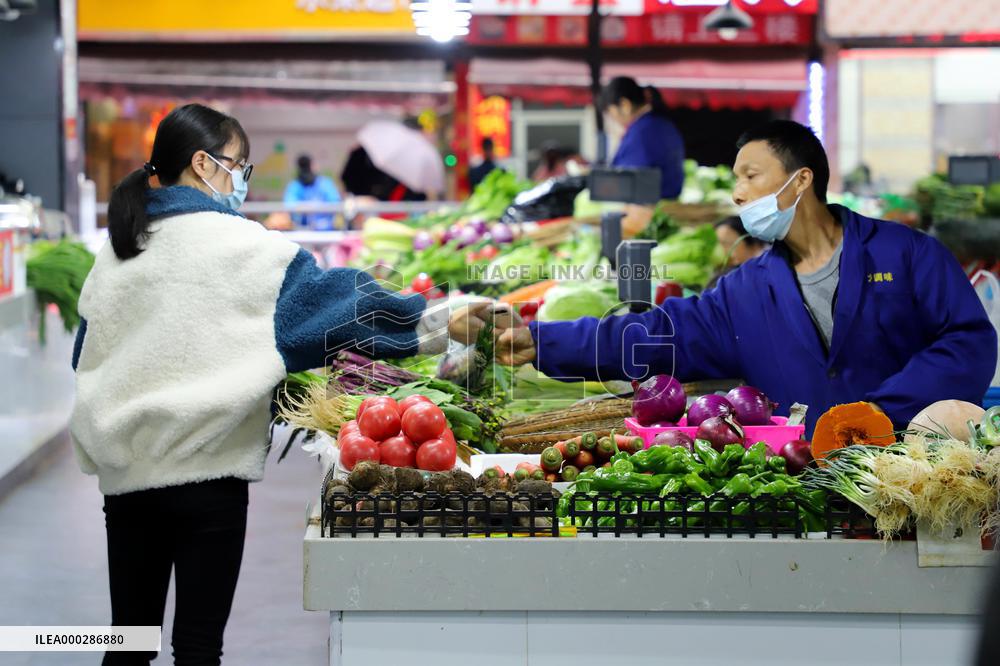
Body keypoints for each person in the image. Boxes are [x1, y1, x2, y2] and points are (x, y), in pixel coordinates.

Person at [72, 103, 448, 665]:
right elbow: (339, 308)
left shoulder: (118, 249)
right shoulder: (249, 248)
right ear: (203, 164)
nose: (242, 180)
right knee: (198, 647)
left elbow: (84, 355)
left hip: (126, 479)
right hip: (209, 477)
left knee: (126, 641)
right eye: (238, 165)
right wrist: (438, 321)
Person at [451, 120, 997, 437]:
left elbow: (967, 342)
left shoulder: (907, 254)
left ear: (801, 181)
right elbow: (654, 336)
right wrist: (539, 339)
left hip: (908, 475)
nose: (737, 194)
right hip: (800, 485)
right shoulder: (743, 291)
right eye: (735, 179)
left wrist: (879, 414)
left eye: (751, 176)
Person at [602, 76, 684, 200]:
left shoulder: (641, 132)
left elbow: (627, 180)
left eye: (611, 114)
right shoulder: (661, 124)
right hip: (666, 203)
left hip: (646, 207)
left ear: (625, 105)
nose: (614, 121)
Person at [282, 154, 342, 230]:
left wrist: (317, 208)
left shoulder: (324, 183)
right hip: (302, 230)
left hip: (325, 230)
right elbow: (289, 205)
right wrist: (307, 209)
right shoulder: (295, 185)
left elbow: (335, 202)